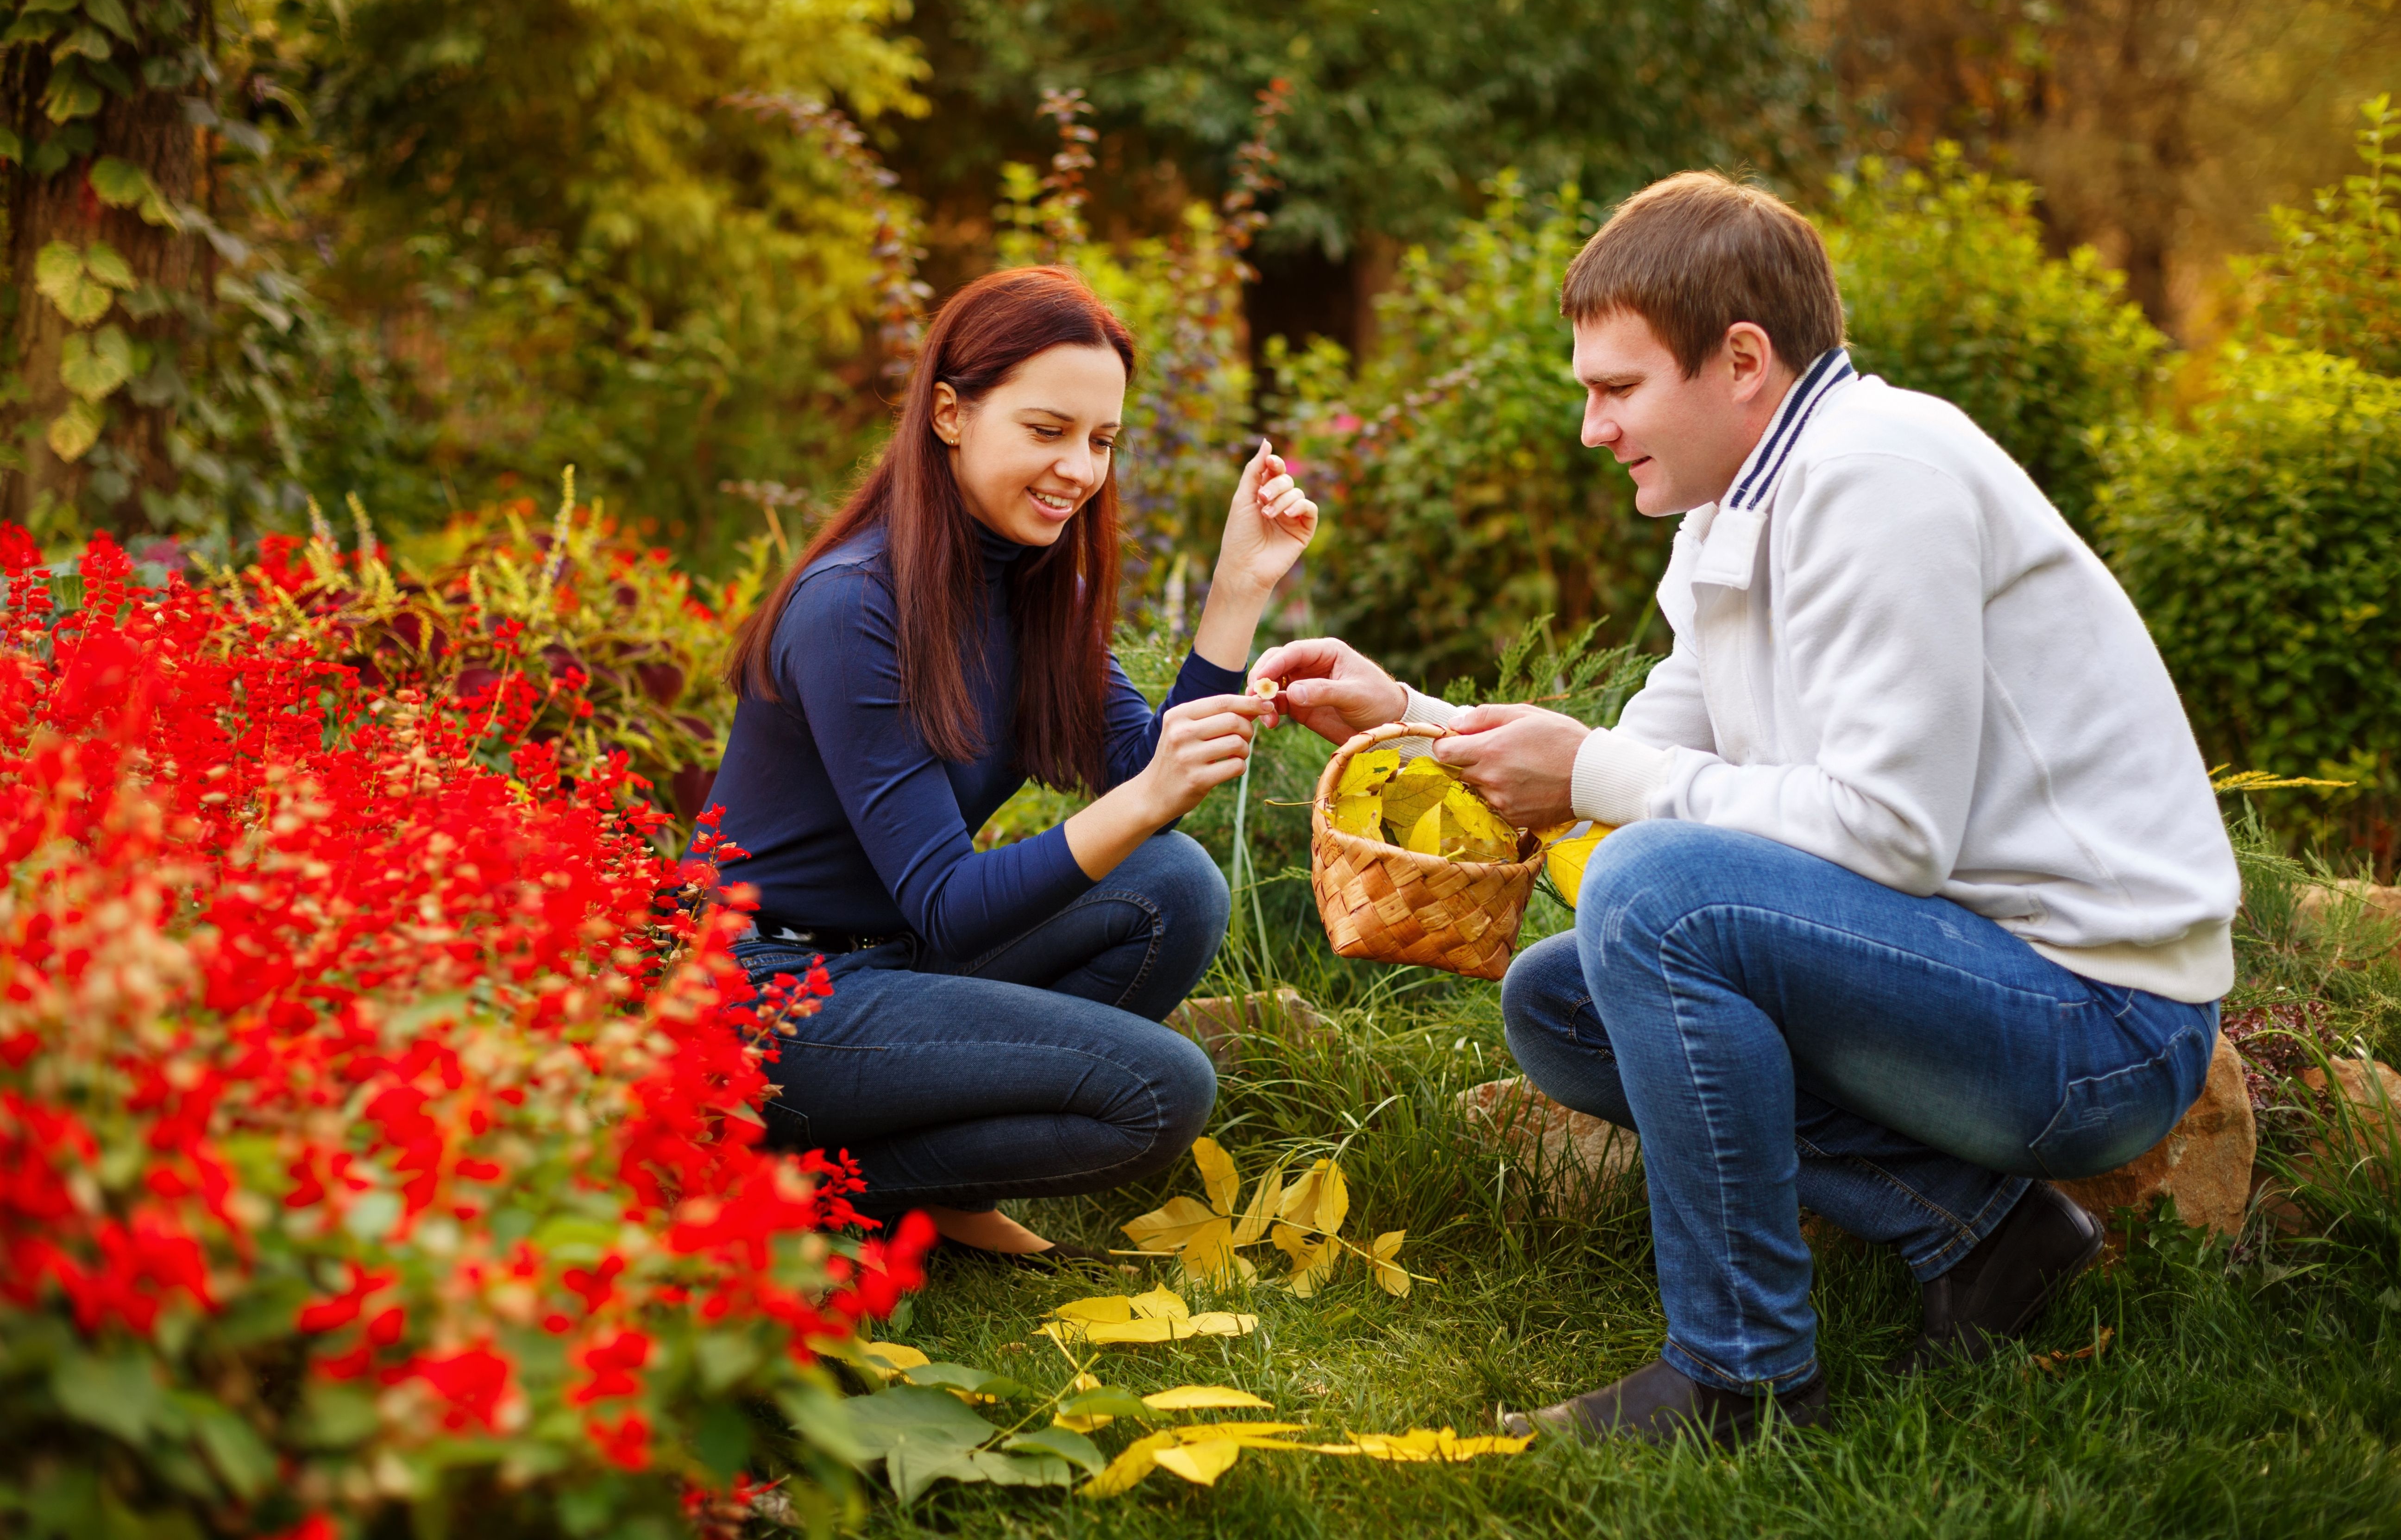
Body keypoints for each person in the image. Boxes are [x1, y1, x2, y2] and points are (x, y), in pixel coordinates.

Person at [1255, 173, 2236, 1445]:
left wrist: (1597, 785)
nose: (1595, 429)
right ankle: (1987, 1237)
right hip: (1972, 975)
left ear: (1741, 360)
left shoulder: (1881, 476)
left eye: (1617, 390)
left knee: (1651, 894)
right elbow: (1642, 748)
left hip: (2100, 1025)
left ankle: (1743, 1379)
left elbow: (1891, 833)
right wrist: (1412, 718)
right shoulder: (1739, 504)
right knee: (1561, 1003)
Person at [704, 265, 1314, 1267]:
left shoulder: (1035, 581)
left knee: (1175, 890)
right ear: (950, 413)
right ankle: (791, 1182)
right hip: (770, 995)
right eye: (1047, 430)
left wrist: (1238, 588)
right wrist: (1153, 789)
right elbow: (949, 897)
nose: (1079, 468)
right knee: (1160, 1091)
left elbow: (1136, 765)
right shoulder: (851, 605)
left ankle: (924, 1183)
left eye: (1101, 441)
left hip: (892, 962)